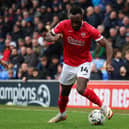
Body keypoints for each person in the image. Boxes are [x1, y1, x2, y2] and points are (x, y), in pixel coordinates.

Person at [45, 6, 113, 123]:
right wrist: (54, 38)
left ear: (82, 18)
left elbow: (107, 44)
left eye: (77, 22)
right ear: (69, 18)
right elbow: (48, 35)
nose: (75, 24)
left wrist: (108, 63)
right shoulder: (63, 24)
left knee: (81, 89)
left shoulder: (89, 29)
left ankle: (103, 106)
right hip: (68, 64)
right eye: (73, 22)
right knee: (64, 92)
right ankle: (62, 114)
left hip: (84, 62)